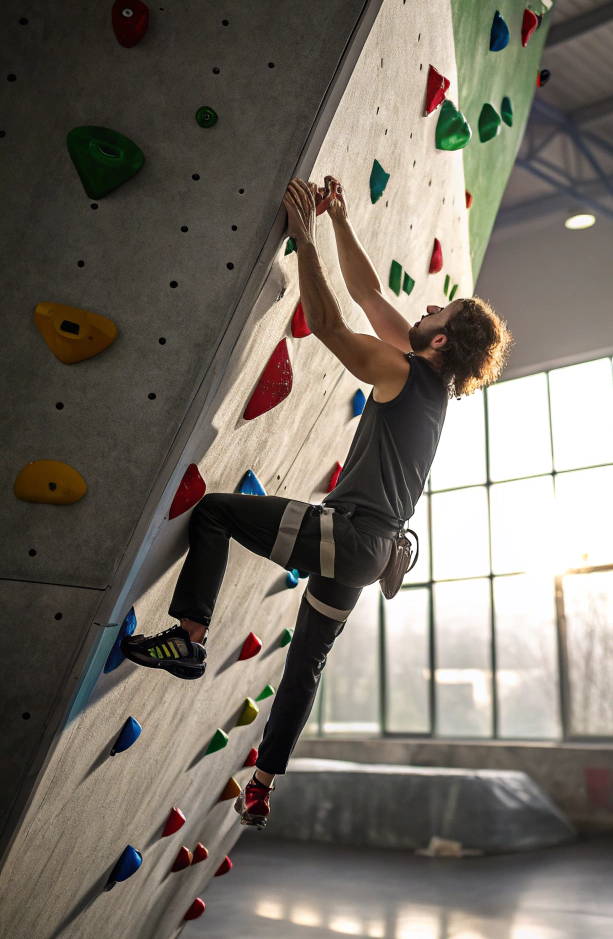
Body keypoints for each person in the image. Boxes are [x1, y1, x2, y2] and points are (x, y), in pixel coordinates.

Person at [122, 176, 512, 827]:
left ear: (439, 341)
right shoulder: (428, 386)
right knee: (306, 662)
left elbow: (330, 323)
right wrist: (337, 218)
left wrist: (303, 241)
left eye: (436, 315)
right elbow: (368, 295)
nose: (424, 313)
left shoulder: (402, 372)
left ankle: (190, 636)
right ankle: (264, 781)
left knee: (216, 512)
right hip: (369, 552)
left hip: (354, 536)